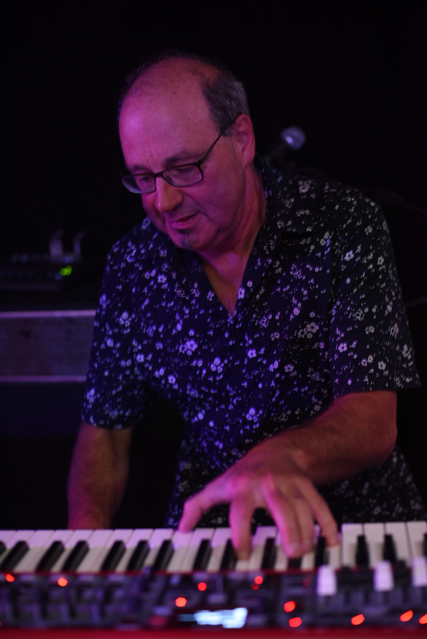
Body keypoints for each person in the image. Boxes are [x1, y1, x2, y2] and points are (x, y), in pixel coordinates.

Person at [67, 52, 425, 561]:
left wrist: (279, 457)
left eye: (183, 169)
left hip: (357, 533)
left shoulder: (343, 223)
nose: (163, 202)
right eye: (143, 178)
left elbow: (373, 419)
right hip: (211, 540)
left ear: (242, 139)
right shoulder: (133, 264)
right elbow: (104, 430)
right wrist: (82, 541)